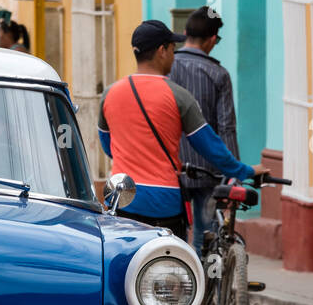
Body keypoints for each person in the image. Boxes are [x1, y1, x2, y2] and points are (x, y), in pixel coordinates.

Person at [97, 19, 266, 241]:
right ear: (162, 51)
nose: (174, 55)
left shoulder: (110, 94)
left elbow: (108, 146)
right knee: (172, 264)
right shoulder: (178, 96)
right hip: (163, 201)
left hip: (122, 196)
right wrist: (245, 170)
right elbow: (212, 149)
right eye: (172, 49)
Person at [170, 6, 240, 252]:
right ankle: (203, 285)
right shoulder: (218, 74)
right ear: (212, 39)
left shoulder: (167, 67)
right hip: (206, 170)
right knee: (204, 235)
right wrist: (232, 172)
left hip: (172, 166)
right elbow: (226, 127)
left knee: (172, 235)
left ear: (185, 32)